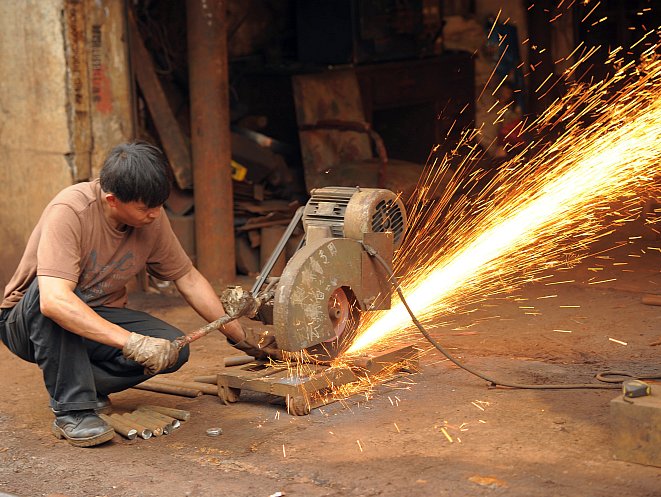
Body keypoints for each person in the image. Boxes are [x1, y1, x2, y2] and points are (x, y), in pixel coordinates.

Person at [0, 141, 277, 447]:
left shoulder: (152, 218)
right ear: (112, 199)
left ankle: (80, 385)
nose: (155, 214)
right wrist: (131, 342)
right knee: (52, 295)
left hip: (94, 317)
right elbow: (53, 300)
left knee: (173, 349)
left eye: (160, 205)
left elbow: (187, 278)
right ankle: (73, 412)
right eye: (146, 207)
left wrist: (241, 338)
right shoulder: (71, 210)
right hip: (26, 323)